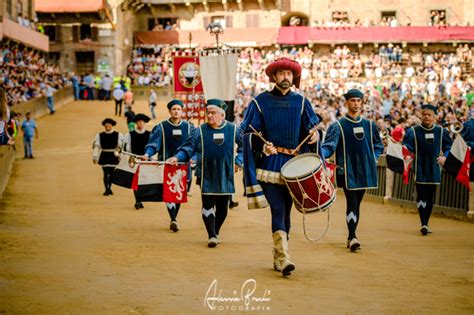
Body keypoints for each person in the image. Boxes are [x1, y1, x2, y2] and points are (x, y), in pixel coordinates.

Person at [240, 58, 320, 276]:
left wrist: (315, 137)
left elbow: (311, 130)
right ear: (273, 77)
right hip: (271, 165)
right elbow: (245, 133)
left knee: (287, 214)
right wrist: (262, 146)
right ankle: (284, 258)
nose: (286, 77)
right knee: (278, 209)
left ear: (294, 77)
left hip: (296, 166)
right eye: (281, 73)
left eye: (289, 74)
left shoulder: (302, 102)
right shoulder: (260, 102)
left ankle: (279, 254)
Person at [167, 99, 242, 245]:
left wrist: (238, 161)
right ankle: (211, 235)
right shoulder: (199, 131)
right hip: (206, 174)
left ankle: (216, 231)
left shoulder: (233, 129)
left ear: (222, 115)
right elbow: (188, 148)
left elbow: (244, 147)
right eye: (208, 112)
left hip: (225, 174)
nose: (210, 115)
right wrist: (177, 157)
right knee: (207, 204)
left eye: (213, 113)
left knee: (223, 209)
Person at [322, 88, 384, 251]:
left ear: (362, 103)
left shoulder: (370, 125)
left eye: (358, 101)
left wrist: (375, 157)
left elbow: (378, 145)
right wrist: (318, 152)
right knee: (352, 202)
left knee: (357, 204)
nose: (356, 104)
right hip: (346, 171)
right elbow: (329, 147)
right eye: (353, 101)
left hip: (364, 170)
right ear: (346, 102)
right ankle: (352, 236)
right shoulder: (338, 126)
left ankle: (352, 235)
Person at [144, 100, 194, 232]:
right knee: (169, 192)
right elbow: (154, 145)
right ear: (169, 111)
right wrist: (147, 154)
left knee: (179, 193)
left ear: (182, 111)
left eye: (178, 109)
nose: (176, 111)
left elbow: (195, 146)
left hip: (184, 167)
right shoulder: (161, 127)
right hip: (166, 166)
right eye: (174, 109)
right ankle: (173, 219)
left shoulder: (189, 127)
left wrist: (194, 158)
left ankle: (174, 217)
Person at [403, 104, 452, 235]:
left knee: (430, 198)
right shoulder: (413, 131)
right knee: (421, 196)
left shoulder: (441, 131)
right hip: (420, 167)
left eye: (429, 114)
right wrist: (407, 155)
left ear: (434, 116)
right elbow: (407, 146)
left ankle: (426, 222)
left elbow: (449, 146)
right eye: (424, 114)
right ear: (421, 115)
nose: (426, 117)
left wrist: (445, 157)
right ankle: (423, 223)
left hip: (434, 168)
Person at [92, 118, 125, 196]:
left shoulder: (118, 135)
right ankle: (106, 189)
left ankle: (109, 187)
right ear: (104, 126)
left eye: (109, 124)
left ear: (112, 125)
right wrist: (95, 157)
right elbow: (97, 147)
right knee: (106, 173)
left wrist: (120, 156)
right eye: (106, 125)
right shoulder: (99, 135)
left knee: (112, 174)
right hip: (104, 155)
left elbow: (120, 147)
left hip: (114, 156)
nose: (107, 126)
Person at [125, 113, 151, 209]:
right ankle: (137, 200)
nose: (140, 123)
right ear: (136, 123)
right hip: (135, 161)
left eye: (142, 122)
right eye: (138, 122)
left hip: (146, 161)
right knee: (135, 181)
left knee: (143, 181)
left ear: (145, 123)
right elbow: (128, 149)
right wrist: (130, 159)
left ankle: (140, 199)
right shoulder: (130, 134)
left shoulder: (149, 134)